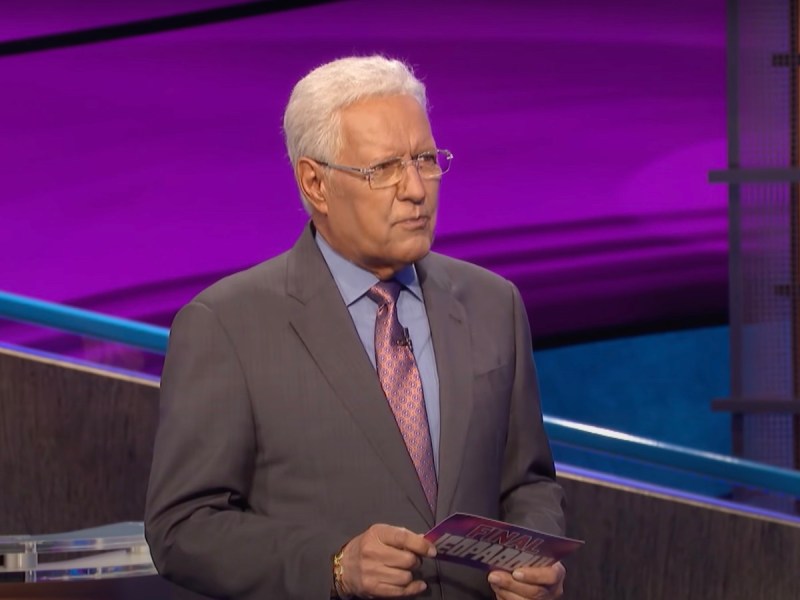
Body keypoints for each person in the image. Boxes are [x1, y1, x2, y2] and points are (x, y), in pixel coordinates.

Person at [145, 55, 567, 600]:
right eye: (385, 169)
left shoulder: (493, 303)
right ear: (315, 184)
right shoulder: (226, 326)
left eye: (425, 159)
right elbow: (183, 529)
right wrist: (335, 566)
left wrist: (537, 557)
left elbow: (528, 482)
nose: (416, 189)